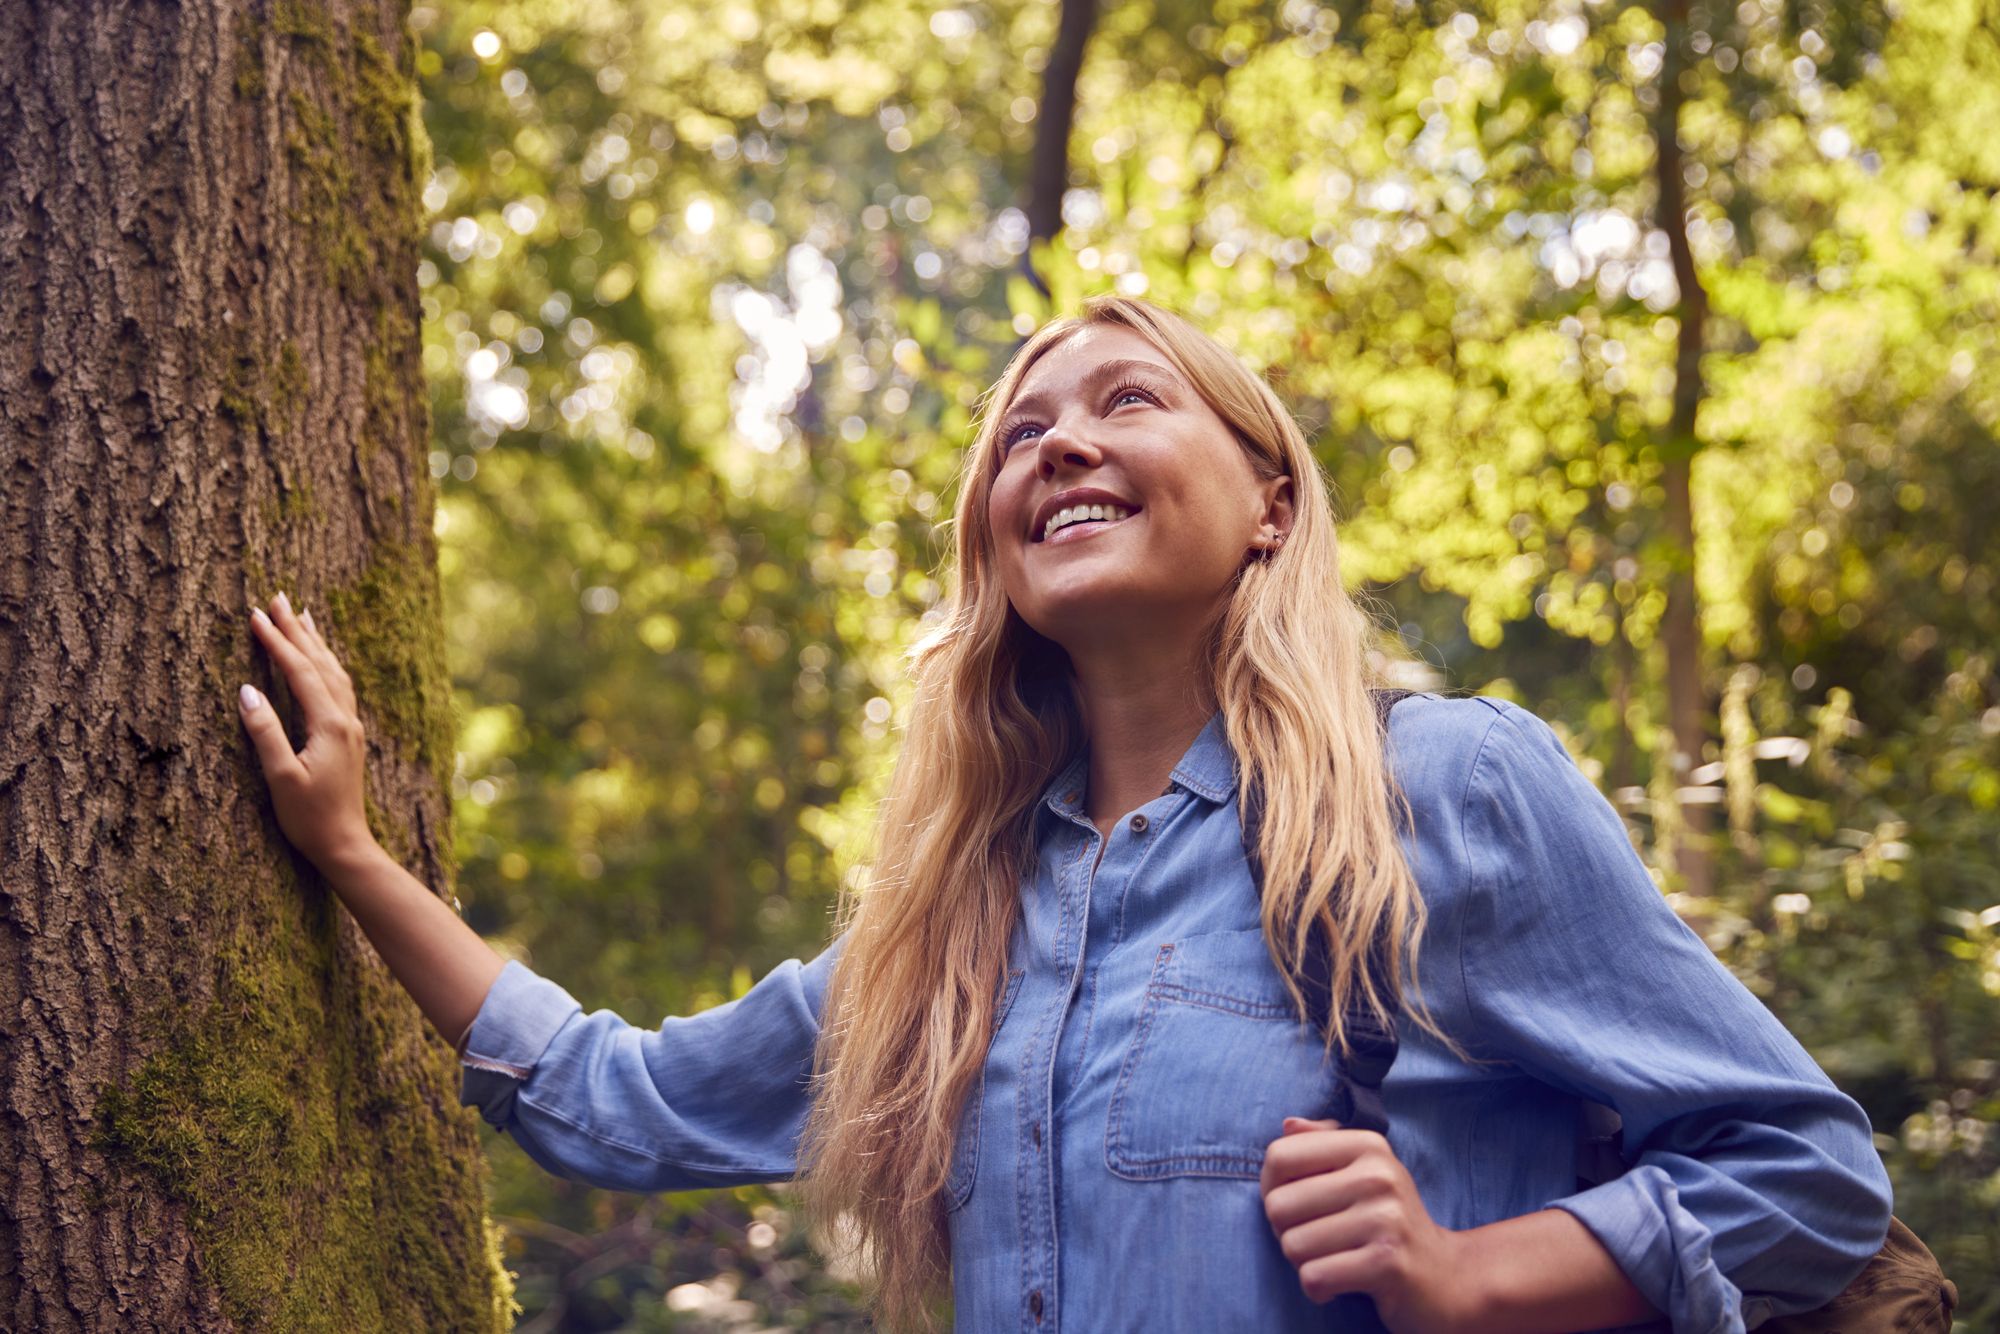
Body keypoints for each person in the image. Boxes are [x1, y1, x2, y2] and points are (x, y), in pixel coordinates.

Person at [240, 295, 1893, 1333]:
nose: (1061, 443)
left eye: (1125, 401)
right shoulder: (944, 928)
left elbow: (1806, 1172)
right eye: (1021, 430)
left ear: (1269, 504)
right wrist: (352, 852)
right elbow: (617, 1099)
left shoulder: (1441, 790)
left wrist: (1472, 1279)